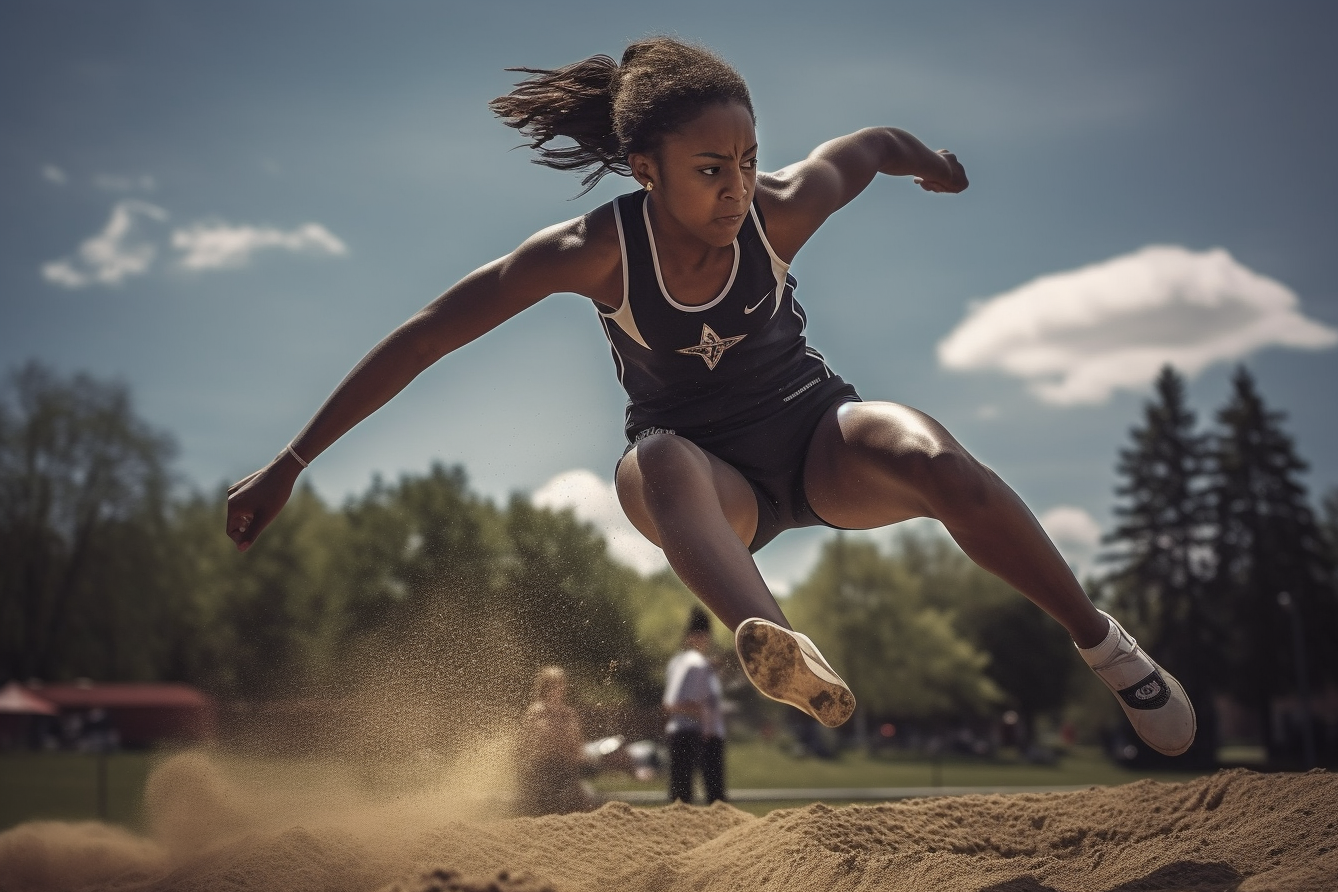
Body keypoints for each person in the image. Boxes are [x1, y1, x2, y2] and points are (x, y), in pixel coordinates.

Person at [226, 37, 1195, 758]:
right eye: (708, 171)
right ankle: (774, 638)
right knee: (651, 462)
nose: (737, 190)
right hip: (705, 484)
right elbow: (432, 329)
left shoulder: (776, 208)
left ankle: (1111, 651)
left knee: (940, 463)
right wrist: (295, 459)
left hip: (817, 437)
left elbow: (872, 144)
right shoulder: (596, 253)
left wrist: (933, 165)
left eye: (744, 160)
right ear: (644, 171)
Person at [513, 666, 597, 816]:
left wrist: (582, 759)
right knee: (544, 809)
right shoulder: (536, 712)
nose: (558, 688)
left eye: (560, 684)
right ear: (544, 686)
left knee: (582, 803)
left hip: (566, 769)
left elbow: (578, 744)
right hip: (541, 770)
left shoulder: (568, 714)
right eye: (553, 684)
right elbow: (523, 743)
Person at [663, 607, 727, 804]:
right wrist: (707, 718)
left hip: (681, 734)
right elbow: (676, 703)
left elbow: (670, 703)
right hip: (699, 735)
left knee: (680, 798)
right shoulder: (698, 664)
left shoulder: (677, 662)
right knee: (715, 800)